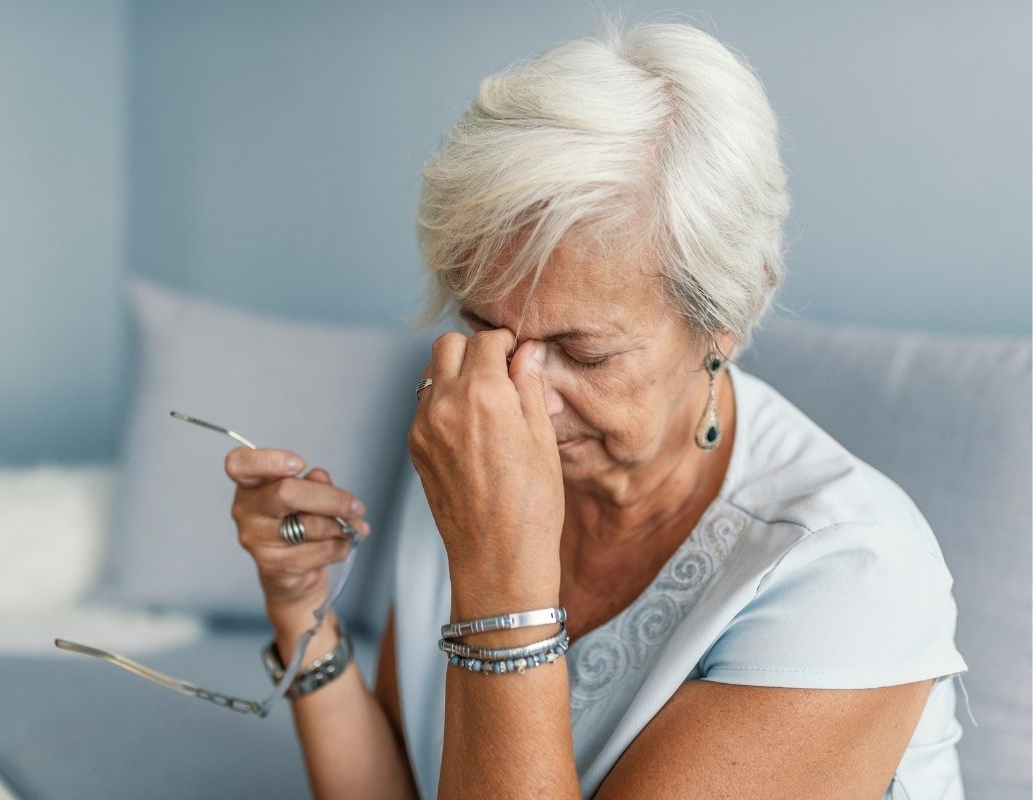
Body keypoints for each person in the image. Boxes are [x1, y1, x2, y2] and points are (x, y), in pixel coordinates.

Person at [224, 20, 969, 800]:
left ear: (726, 320)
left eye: (583, 353)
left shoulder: (853, 574)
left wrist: (498, 571)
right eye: (485, 329)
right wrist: (301, 613)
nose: (522, 400)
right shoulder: (476, 428)